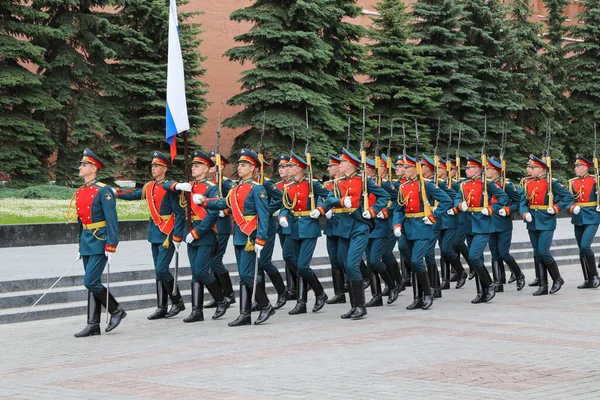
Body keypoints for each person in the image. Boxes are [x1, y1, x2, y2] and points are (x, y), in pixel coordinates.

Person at [198, 149, 274, 326]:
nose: (239, 168)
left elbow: (263, 215)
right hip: (239, 235)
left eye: (244, 165)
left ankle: (265, 305)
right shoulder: (235, 189)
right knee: (243, 276)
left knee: (248, 275)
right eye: (239, 164)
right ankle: (244, 314)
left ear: (253, 168)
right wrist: (205, 201)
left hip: (251, 237)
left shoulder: (258, 189)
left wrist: (261, 238)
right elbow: (223, 203)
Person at [116, 151, 186, 319]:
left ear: (164, 168)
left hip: (167, 233)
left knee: (162, 269)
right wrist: (116, 192)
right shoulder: (149, 186)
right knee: (158, 271)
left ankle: (177, 301)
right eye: (152, 166)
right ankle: (161, 306)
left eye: (156, 166)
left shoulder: (170, 187)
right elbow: (134, 194)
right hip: (155, 232)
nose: (153, 168)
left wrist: (177, 236)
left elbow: (180, 214)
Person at [326, 149, 390, 319]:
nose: (339, 165)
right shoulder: (338, 182)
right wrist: (340, 201)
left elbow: (384, 196)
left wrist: (373, 210)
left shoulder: (364, 181)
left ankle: (361, 306)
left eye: (342, 162)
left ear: (350, 165)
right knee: (345, 264)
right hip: (343, 227)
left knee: (353, 265)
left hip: (359, 227)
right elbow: (328, 199)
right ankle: (354, 306)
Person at [68, 149, 126, 337]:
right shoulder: (81, 191)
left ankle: (116, 310)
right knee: (92, 283)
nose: (80, 167)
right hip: (86, 241)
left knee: (90, 281)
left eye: (84, 165)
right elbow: (81, 221)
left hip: (101, 240)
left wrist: (112, 244)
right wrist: (79, 243)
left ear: (93, 168)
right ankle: (93, 324)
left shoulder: (104, 190)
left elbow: (112, 219)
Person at [175, 150, 230, 322]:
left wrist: (198, 232)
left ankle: (222, 300)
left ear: (206, 169)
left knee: (201, 270)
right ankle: (196, 311)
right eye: (192, 165)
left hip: (204, 234)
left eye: (197, 165)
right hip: (190, 231)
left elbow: (213, 212)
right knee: (195, 273)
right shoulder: (189, 187)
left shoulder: (211, 188)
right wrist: (177, 186)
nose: (193, 168)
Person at [393, 155, 451, 310]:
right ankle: (417, 297)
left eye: (406, 167)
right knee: (412, 261)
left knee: (417, 260)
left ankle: (427, 293)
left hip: (422, 227)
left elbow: (446, 201)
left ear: (415, 169)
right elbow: (398, 209)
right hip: (408, 227)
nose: (403, 170)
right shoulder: (403, 187)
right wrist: (397, 225)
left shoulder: (426, 185)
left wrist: (433, 217)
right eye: (403, 167)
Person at [448, 156, 509, 303]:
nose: (466, 170)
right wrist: (459, 204)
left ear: (477, 169)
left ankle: (489, 285)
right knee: (477, 258)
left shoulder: (486, 184)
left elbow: (503, 198)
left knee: (474, 256)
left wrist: (491, 209)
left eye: (469, 168)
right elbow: (457, 198)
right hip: (469, 224)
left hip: (483, 224)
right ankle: (481, 291)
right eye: (466, 168)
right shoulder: (463, 185)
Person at [279, 152, 330, 314]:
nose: (288, 168)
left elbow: (330, 196)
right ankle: (302, 303)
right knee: (298, 265)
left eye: (291, 166)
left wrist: (321, 209)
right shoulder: (289, 187)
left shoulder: (312, 185)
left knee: (302, 265)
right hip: (294, 228)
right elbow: (285, 206)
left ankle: (320, 292)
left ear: (299, 168)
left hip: (309, 228)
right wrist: (283, 216)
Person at [520, 154, 574, 295]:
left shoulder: (551, 183)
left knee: (543, 252)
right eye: (528, 167)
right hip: (532, 221)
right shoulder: (527, 183)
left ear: (542, 169)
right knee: (537, 254)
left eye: (532, 167)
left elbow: (568, 197)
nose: (528, 169)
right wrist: (525, 213)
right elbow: (522, 203)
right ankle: (543, 285)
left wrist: (556, 208)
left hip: (546, 220)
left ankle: (557, 278)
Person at [485, 157, 525, 291]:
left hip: (503, 223)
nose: (486, 171)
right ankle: (498, 282)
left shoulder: (506, 184)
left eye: (488, 168)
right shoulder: (485, 183)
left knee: (503, 253)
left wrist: (508, 210)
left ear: (496, 170)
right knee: (494, 253)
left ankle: (519, 274)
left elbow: (519, 202)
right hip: (490, 221)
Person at [204, 151, 236, 307]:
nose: (209, 168)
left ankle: (228, 294)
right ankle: (219, 295)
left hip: (222, 226)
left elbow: (236, 200)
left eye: (212, 165)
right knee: (210, 261)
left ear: (221, 167)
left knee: (216, 261)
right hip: (211, 225)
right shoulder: (208, 184)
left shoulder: (226, 183)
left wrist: (226, 211)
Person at [568, 154, 600, 289]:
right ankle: (587, 279)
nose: (575, 168)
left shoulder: (595, 180)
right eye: (575, 165)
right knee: (581, 250)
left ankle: (594, 276)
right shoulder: (572, 182)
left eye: (578, 166)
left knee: (585, 246)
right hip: (578, 218)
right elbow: (568, 199)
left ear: (585, 168)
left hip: (592, 217)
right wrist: (571, 207)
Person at [323, 154, 347, 304]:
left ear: (339, 167)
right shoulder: (327, 185)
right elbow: (322, 200)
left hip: (343, 224)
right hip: (331, 226)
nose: (328, 168)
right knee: (334, 259)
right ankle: (339, 293)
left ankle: (358, 282)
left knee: (343, 258)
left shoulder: (345, 183)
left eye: (331, 166)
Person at [275, 154, 299, 300]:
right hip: (281, 224)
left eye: (284, 167)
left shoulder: (294, 184)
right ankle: (291, 288)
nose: (281, 169)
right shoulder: (277, 186)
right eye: (280, 167)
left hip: (292, 223)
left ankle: (303, 280)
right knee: (287, 256)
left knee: (289, 255)